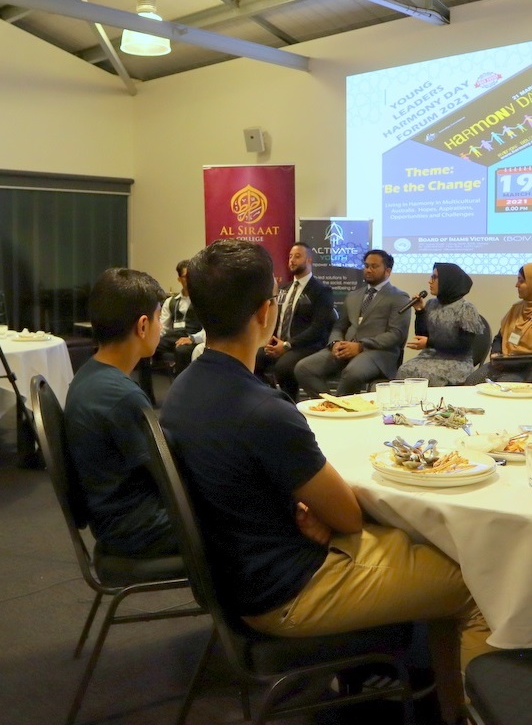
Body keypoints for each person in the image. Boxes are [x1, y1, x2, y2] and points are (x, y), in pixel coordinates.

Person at [160, 238, 494, 725]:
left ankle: (424, 690)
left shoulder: (184, 391)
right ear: (265, 312)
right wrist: (312, 513)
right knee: (477, 585)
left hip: (238, 575)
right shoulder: (264, 410)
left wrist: (302, 509)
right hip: (288, 591)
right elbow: (346, 516)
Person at [64, 267, 181, 559]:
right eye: (158, 318)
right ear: (142, 326)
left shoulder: (90, 374)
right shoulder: (122, 395)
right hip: (137, 528)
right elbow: (168, 473)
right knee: (247, 517)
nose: (162, 328)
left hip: (115, 516)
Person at [294, 249, 410, 396]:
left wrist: (361, 346)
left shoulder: (399, 297)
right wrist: (335, 342)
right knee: (304, 368)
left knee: (352, 373)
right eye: (366, 266)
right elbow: (339, 326)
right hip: (344, 348)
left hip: (377, 353)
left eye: (374, 266)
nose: (368, 270)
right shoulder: (354, 296)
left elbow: (396, 335)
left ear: (387, 271)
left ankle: (342, 412)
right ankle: (332, 407)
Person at [254, 242, 334, 401]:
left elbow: (318, 328)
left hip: (306, 345)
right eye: (290, 256)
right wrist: (271, 338)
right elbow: (276, 317)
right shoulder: (284, 288)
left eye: (297, 256)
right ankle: (270, 396)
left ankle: (290, 404)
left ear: (309, 260)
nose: (292, 260)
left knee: (283, 366)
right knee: (253, 358)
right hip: (279, 343)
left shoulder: (321, 290)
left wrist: (287, 345)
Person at [396, 263, 484, 386]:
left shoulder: (466, 308)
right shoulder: (432, 304)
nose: (429, 281)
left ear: (447, 281)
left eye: (434, 277)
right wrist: (419, 311)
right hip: (430, 356)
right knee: (404, 370)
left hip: (457, 361)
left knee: (429, 376)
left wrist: (429, 342)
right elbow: (422, 335)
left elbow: (463, 345)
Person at [137, 259, 204, 402]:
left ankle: (181, 396)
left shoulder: (202, 300)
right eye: (186, 276)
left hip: (192, 337)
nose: (190, 279)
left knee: (182, 350)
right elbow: (164, 327)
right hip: (173, 336)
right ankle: (146, 394)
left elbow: (207, 328)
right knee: (143, 347)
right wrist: (150, 338)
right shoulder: (170, 301)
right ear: (179, 279)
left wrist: (192, 338)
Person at [465, 263, 532, 385]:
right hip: (504, 364)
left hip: (527, 369)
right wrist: (496, 353)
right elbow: (500, 337)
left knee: (502, 385)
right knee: (471, 382)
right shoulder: (516, 309)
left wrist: (512, 362)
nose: (516, 285)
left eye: (521, 281)